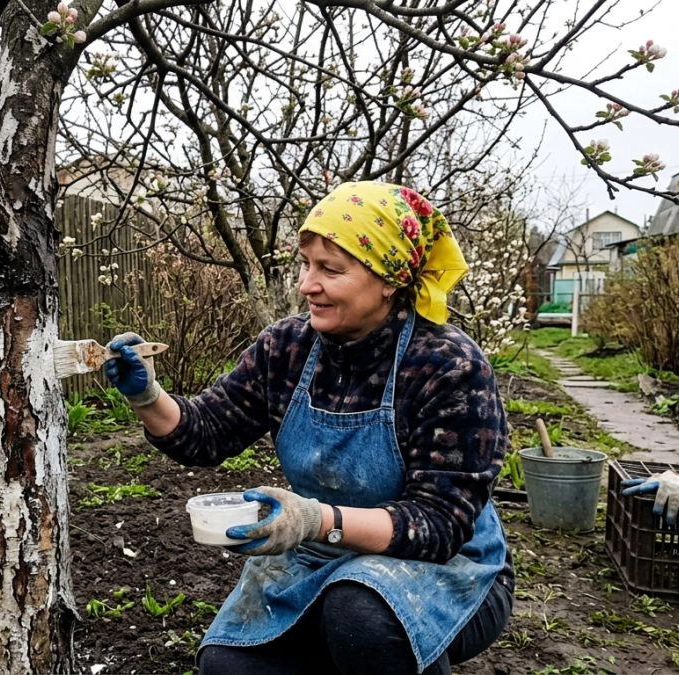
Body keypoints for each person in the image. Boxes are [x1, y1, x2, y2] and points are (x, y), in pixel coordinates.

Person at [103, 181, 515, 675]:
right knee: (228, 665)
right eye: (306, 264)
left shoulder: (448, 366)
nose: (306, 285)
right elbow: (207, 431)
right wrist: (147, 396)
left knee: (359, 616)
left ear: (388, 280)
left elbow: (438, 525)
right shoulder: (287, 348)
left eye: (330, 270)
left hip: (448, 570)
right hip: (312, 560)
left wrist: (315, 520)